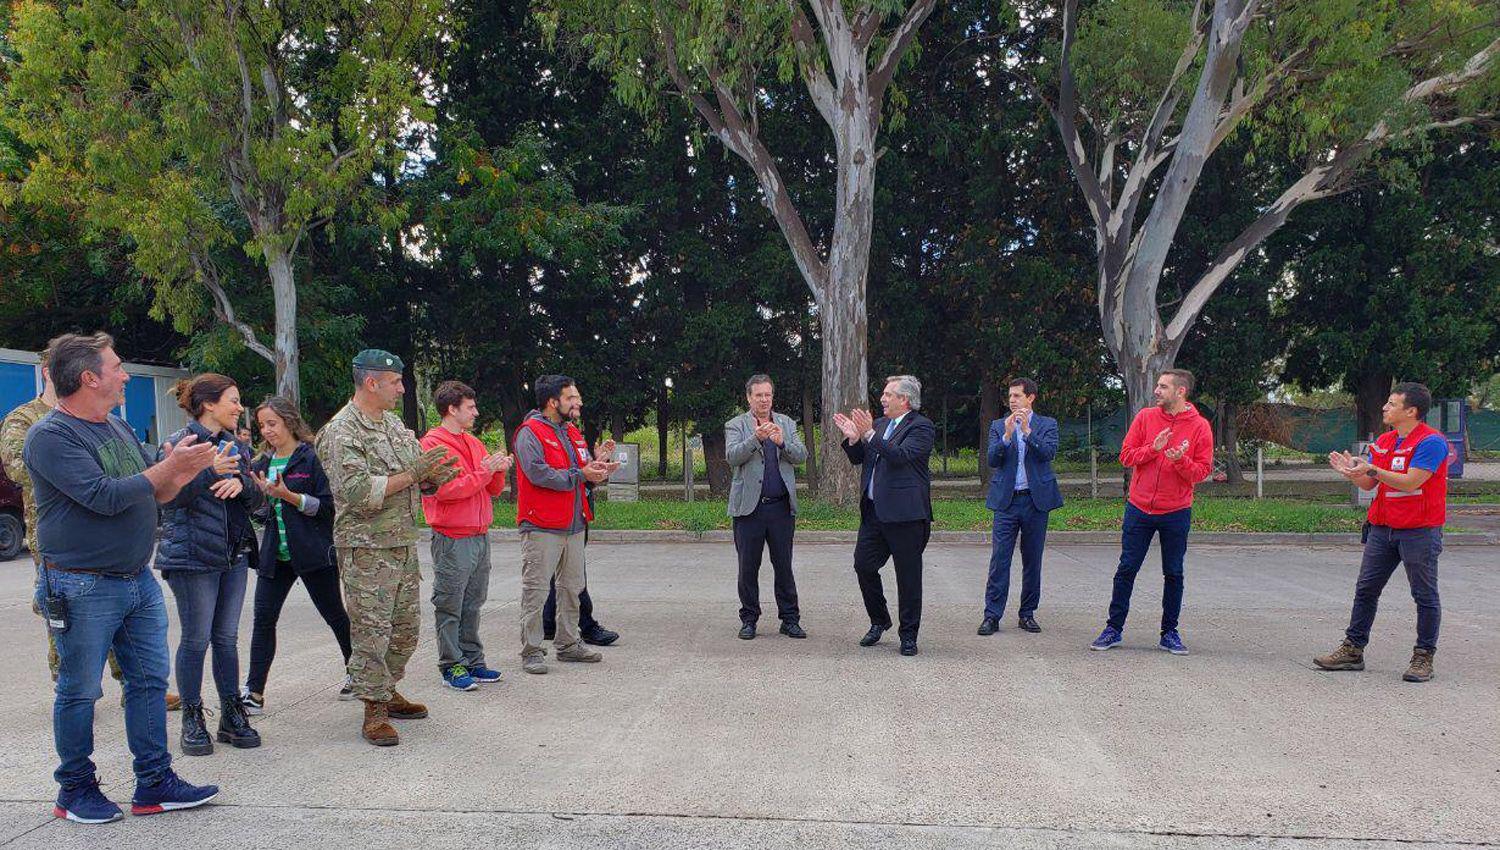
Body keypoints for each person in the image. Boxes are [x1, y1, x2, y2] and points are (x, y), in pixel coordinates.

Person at [24, 332, 220, 823]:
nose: (125, 374)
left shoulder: (117, 428)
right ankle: (74, 790)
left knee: (150, 682)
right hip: (80, 584)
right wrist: (169, 467)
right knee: (79, 690)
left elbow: (155, 495)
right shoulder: (50, 436)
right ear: (90, 377)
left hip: (136, 580)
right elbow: (105, 495)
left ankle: (153, 783)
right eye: (117, 367)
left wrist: (185, 470)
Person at [1, 345, 182, 710]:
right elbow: (19, 469)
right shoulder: (29, 421)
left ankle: (133, 680)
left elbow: (131, 473)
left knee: (123, 613)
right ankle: (73, 687)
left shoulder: (104, 419)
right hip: (58, 536)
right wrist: (74, 469)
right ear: (50, 372)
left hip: (117, 536)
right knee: (69, 621)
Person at [317, 349, 459, 746]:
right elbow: (358, 490)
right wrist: (414, 473)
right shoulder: (343, 430)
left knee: (406, 630)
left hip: (401, 542)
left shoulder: (395, 426)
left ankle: (387, 689)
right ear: (371, 382)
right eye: (395, 382)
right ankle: (373, 710)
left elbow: (413, 475)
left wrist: (432, 477)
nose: (401, 388)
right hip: (367, 549)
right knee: (372, 632)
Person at [156, 374, 265, 756]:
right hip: (192, 559)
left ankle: (231, 714)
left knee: (226, 639)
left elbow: (258, 501)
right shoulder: (177, 444)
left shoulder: (238, 447)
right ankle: (192, 716)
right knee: (196, 639)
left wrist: (243, 487)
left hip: (233, 556)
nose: (239, 408)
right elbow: (166, 499)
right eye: (233, 401)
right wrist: (208, 474)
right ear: (208, 405)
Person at [1315, 382, 1447, 683]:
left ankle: (1423, 656)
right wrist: (1353, 472)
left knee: (1424, 594)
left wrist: (1372, 470)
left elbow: (1411, 482)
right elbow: (1370, 485)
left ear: (1411, 411)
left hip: (1419, 531)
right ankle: (1352, 650)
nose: (1384, 408)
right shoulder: (1386, 441)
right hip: (1382, 528)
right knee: (1366, 590)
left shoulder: (1432, 442)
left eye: (1391, 403)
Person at [241, 396, 353, 714]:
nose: (267, 430)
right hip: (276, 555)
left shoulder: (312, 457)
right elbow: (262, 514)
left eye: (272, 423)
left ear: (289, 421)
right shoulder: (261, 463)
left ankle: (357, 672)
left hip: (313, 552)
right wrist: (260, 500)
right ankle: (254, 692)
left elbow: (327, 507)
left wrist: (287, 495)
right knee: (263, 618)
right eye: (262, 425)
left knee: (334, 615)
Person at [1090, 369, 1213, 655]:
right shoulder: (1145, 417)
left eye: (1162, 386)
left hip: (1176, 511)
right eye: (1157, 386)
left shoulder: (1199, 426)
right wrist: (1152, 449)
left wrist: (1181, 461)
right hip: (1139, 508)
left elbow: (1202, 471)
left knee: (1173, 572)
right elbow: (1126, 456)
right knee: (1126, 569)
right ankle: (1113, 629)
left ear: (1180, 391)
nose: (1156, 391)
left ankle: (1169, 633)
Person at [513, 375, 618, 674]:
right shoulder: (529, 432)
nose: (578, 403)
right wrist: (580, 475)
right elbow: (538, 474)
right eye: (572, 398)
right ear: (552, 402)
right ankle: (532, 651)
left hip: (574, 523)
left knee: (572, 587)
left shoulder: (573, 432)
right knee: (536, 590)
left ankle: (569, 644)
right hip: (541, 524)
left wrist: (599, 466)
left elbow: (582, 472)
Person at [419, 380, 512, 691]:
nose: (476, 412)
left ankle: (473, 661)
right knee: (449, 603)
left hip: (479, 535)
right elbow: (446, 491)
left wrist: (498, 469)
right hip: (452, 537)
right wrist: (485, 472)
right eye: (470, 407)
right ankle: (451, 665)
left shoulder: (474, 443)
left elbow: (493, 490)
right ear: (451, 409)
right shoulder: (432, 445)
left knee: (473, 601)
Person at [832, 375, 935, 657]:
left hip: (906, 516)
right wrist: (854, 439)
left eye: (889, 394)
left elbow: (900, 456)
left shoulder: (922, 427)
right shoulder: (878, 425)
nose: (882, 399)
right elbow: (861, 458)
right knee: (863, 566)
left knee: (908, 577)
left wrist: (869, 435)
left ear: (905, 400)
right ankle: (880, 621)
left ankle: (909, 635)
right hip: (874, 513)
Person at [725, 373, 808, 640]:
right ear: (749, 398)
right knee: (748, 567)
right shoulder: (736, 425)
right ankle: (749, 619)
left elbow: (801, 456)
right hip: (749, 509)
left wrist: (782, 442)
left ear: (773, 397)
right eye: (758, 395)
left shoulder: (786, 422)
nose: (764, 399)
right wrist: (756, 439)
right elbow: (732, 457)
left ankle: (790, 619)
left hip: (781, 508)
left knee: (784, 565)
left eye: (768, 395)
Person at [979, 378, 1062, 635]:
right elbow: (993, 459)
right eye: (1010, 396)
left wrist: (1027, 431)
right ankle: (992, 616)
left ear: (1031, 398)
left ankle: (1027, 614)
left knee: (1032, 559)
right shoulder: (997, 425)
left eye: (1017, 395)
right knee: (1000, 560)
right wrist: (1006, 435)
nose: (1012, 400)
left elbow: (1049, 453)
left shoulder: (1047, 424)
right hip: (1007, 501)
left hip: (1035, 501)